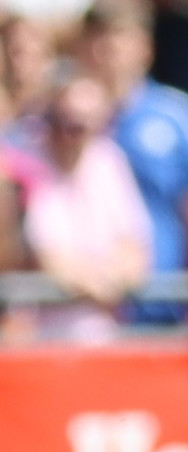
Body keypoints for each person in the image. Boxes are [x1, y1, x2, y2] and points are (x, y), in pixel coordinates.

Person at [81, 0, 188, 345]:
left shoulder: (175, 116)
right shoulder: (63, 123)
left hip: (166, 315)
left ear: (146, 48)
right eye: (100, 37)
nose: (110, 50)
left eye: (122, 37)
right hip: (82, 317)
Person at [4, 66, 156, 340]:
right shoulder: (26, 161)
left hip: (101, 339)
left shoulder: (109, 160)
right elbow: (47, 258)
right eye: (61, 121)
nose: (70, 134)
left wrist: (106, 280)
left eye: (82, 125)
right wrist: (102, 283)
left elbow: (137, 250)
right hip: (36, 340)